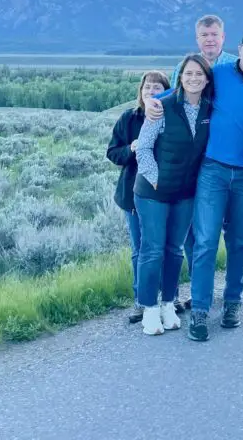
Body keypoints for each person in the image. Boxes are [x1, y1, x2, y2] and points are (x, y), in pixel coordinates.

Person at [147, 29, 243, 341]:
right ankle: (201, 310)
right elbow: (186, 89)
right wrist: (153, 101)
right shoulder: (219, 74)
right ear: (239, 50)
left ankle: (233, 301)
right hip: (213, 169)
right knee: (206, 241)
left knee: (240, 241)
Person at [133, 55, 213, 336]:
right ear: (180, 77)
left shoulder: (208, 109)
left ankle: (168, 303)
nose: (194, 78)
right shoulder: (162, 107)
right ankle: (149, 309)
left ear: (206, 79)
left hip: (185, 192)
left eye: (199, 74)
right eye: (188, 74)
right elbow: (143, 148)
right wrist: (156, 180)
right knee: (152, 249)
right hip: (152, 192)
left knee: (174, 250)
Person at [165, 14, 236, 312]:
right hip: (193, 162)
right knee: (193, 232)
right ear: (198, 38)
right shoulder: (182, 69)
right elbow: (172, 104)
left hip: (227, 158)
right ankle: (199, 290)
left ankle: (233, 294)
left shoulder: (235, 66)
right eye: (204, 35)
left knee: (232, 231)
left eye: (214, 34)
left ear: (223, 37)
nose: (209, 39)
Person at [106, 70, 170, 324]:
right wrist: (132, 148)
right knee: (139, 248)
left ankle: (167, 298)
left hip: (164, 193)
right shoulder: (129, 119)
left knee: (163, 247)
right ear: (140, 92)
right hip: (132, 195)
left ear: (166, 91)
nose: (151, 92)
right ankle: (142, 299)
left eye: (157, 88)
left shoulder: (172, 118)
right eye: (147, 88)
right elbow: (112, 152)